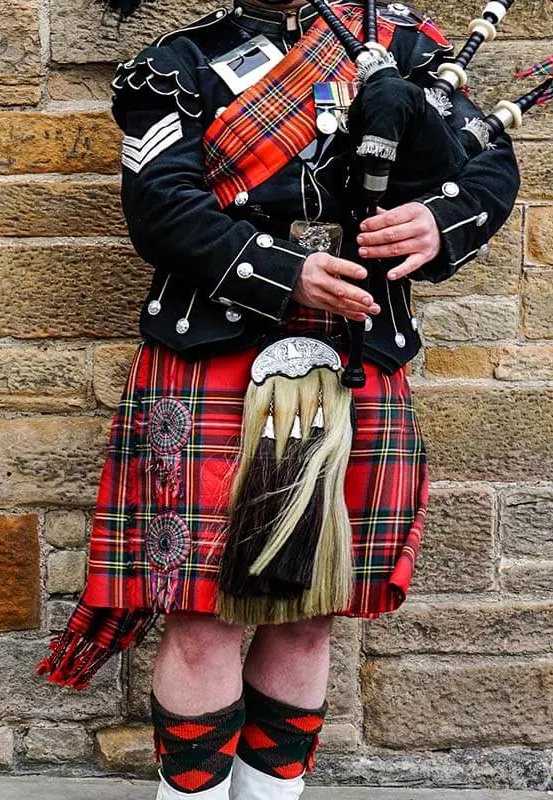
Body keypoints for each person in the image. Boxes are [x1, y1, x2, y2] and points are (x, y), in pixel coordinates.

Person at [37, 1, 520, 798]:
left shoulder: (407, 51)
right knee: (203, 617)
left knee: (309, 612)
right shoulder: (183, 61)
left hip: (355, 355)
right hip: (212, 355)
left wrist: (438, 224)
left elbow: (489, 169)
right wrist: (284, 273)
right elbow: (160, 204)